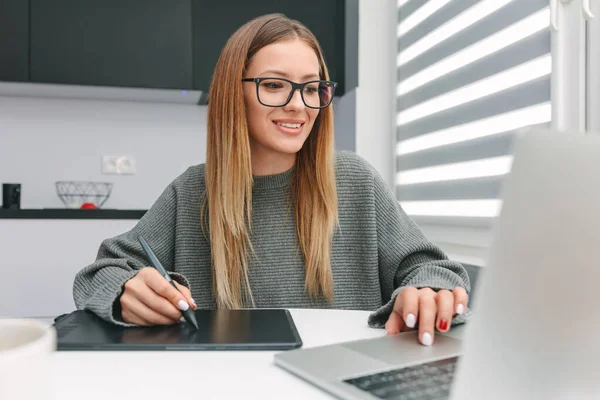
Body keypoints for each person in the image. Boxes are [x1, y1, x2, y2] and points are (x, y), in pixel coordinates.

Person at [73, 13, 470, 347]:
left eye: (312, 88)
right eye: (275, 85)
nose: (298, 104)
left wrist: (428, 293)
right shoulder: (192, 192)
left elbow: (434, 271)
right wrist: (126, 291)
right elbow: (100, 274)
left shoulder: (355, 181)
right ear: (235, 93)